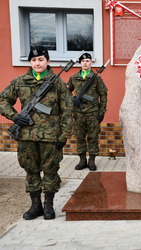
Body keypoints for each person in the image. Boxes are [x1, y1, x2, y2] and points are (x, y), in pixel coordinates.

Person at [0, 46, 73, 220]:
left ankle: (48, 205)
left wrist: (64, 135)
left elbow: (68, 110)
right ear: (30, 62)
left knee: (50, 170)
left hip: (50, 136)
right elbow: (3, 100)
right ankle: (35, 205)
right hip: (26, 136)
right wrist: (15, 117)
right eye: (33, 60)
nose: (37, 63)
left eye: (41, 59)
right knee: (31, 170)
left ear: (48, 61)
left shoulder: (58, 83)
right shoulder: (20, 81)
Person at [68, 53, 108, 171]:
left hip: (93, 113)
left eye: (87, 61)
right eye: (83, 61)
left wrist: (102, 111)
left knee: (93, 137)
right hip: (78, 113)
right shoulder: (74, 77)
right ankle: (82, 161)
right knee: (79, 137)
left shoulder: (96, 78)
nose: (85, 63)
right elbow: (66, 92)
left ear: (91, 63)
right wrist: (72, 99)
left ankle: (91, 161)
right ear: (80, 63)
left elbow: (103, 94)